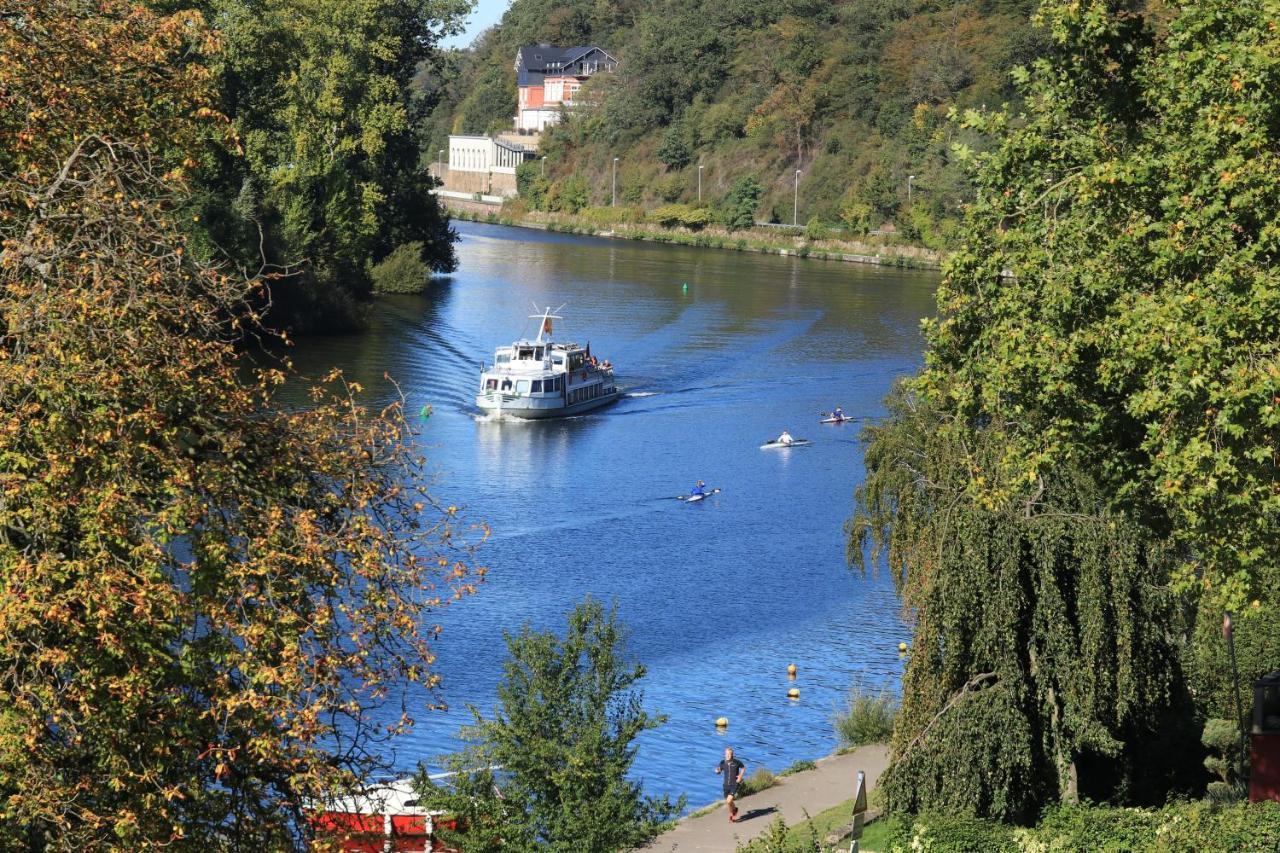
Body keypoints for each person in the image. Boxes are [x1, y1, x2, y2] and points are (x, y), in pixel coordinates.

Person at [715, 747, 746, 822]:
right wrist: (717, 771)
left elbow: (743, 768)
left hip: (735, 784)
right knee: (729, 802)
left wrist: (740, 776)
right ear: (725, 754)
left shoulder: (737, 762)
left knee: (729, 801)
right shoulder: (722, 763)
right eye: (727, 754)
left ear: (732, 754)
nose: (729, 756)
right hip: (725, 785)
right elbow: (719, 771)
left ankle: (732, 815)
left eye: (731, 754)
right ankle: (734, 810)